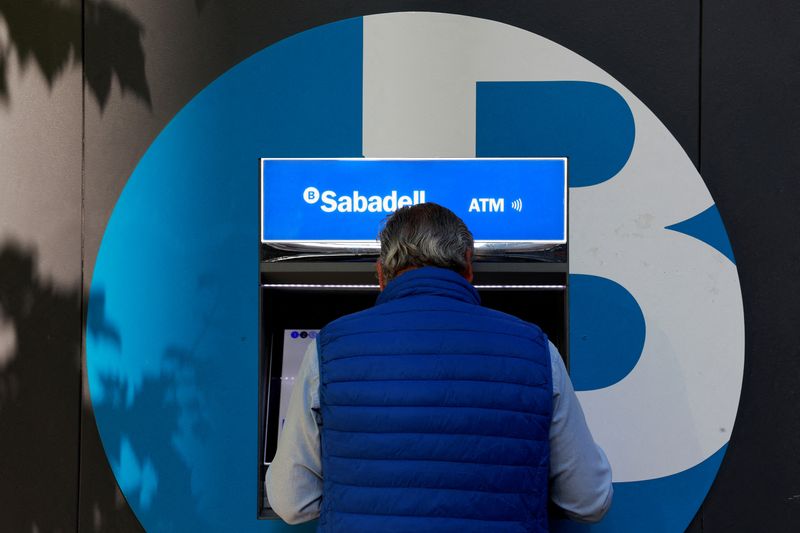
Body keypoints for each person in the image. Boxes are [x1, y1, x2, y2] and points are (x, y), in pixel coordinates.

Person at [266, 203, 612, 532]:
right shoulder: (536, 350)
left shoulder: (328, 349)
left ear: (380, 274)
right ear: (468, 265)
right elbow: (587, 500)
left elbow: (292, 502)